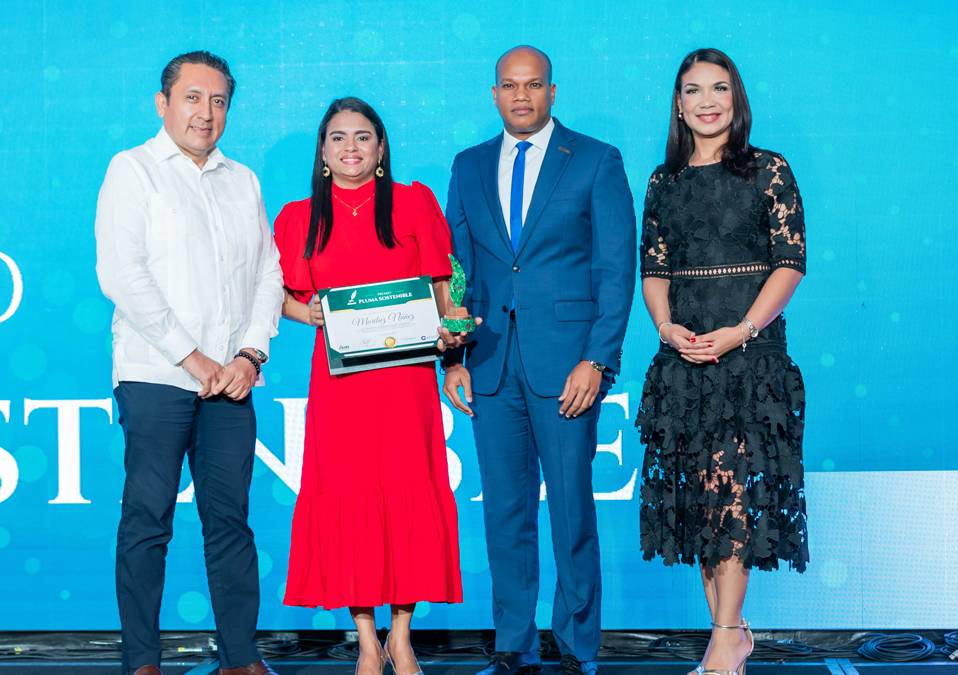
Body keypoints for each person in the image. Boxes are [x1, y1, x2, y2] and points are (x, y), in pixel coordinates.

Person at [443, 46, 636, 675]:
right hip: (490, 362)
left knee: (572, 509)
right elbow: (455, 270)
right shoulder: (468, 165)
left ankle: (578, 648)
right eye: (509, 85)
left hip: (568, 367)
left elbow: (615, 270)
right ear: (494, 94)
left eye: (532, 85)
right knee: (504, 512)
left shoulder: (597, 160)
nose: (520, 96)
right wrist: (452, 358)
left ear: (553, 91)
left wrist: (597, 360)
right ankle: (513, 645)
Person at [94, 50, 283, 675]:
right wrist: (193, 357)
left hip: (232, 382)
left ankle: (240, 659)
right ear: (163, 103)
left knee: (231, 522)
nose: (206, 113)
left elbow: (269, 273)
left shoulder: (242, 180)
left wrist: (250, 354)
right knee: (147, 520)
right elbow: (123, 274)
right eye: (193, 98)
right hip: (157, 377)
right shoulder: (133, 170)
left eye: (218, 101)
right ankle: (142, 662)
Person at [636, 47, 809, 675]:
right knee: (704, 503)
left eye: (719, 88)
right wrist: (666, 329)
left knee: (733, 492)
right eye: (693, 90)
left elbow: (790, 262)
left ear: (736, 99)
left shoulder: (768, 169)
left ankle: (726, 637)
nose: (706, 101)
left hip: (751, 361)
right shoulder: (663, 182)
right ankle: (729, 636)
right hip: (684, 363)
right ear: (678, 105)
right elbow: (653, 269)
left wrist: (741, 331)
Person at [275, 97, 463, 675]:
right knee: (349, 502)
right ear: (323, 151)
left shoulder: (413, 201)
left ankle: (401, 636)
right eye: (338, 137)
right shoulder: (297, 217)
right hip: (341, 388)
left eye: (363, 136)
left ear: (380, 149)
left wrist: (454, 332)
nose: (350, 147)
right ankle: (364, 640)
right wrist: (310, 314)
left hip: (406, 383)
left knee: (408, 496)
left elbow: (444, 284)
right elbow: (277, 295)